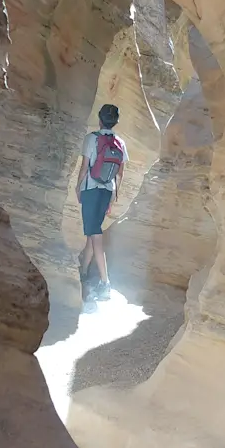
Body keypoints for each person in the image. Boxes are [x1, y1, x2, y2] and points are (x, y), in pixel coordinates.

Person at [75, 103, 128, 304]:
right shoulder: (120, 143)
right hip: (107, 190)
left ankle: (105, 283)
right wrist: (114, 196)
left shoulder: (92, 139)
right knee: (92, 232)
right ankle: (84, 272)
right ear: (115, 122)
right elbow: (120, 173)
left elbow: (84, 167)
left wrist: (78, 186)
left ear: (99, 119)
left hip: (90, 190)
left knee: (95, 235)